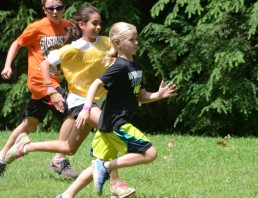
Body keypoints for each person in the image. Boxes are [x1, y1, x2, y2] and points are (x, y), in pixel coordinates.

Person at [5, 6, 136, 198]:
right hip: (80, 102)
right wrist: (52, 90)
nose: (99, 27)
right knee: (108, 128)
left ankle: (25, 146)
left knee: (69, 148)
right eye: (94, 23)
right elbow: (44, 64)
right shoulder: (73, 48)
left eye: (100, 23)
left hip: (97, 102)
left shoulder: (107, 43)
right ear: (82, 25)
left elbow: (121, 59)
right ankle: (115, 184)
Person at [56, 21, 177, 198]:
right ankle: (105, 168)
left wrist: (159, 95)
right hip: (116, 123)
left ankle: (65, 196)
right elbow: (95, 84)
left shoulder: (136, 67)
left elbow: (141, 96)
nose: (136, 43)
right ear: (118, 43)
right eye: (131, 40)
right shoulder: (119, 66)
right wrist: (86, 109)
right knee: (150, 153)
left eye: (136, 39)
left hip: (109, 124)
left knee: (95, 166)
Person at [0, 0, 79, 179]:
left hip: (53, 80)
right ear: (44, 10)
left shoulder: (69, 27)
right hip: (41, 81)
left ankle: (1, 159)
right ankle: (59, 159)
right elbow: (17, 43)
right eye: (50, 8)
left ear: (64, 8)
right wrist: (7, 65)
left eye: (59, 7)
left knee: (30, 124)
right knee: (73, 112)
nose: (55, 11)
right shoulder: (37, 27)